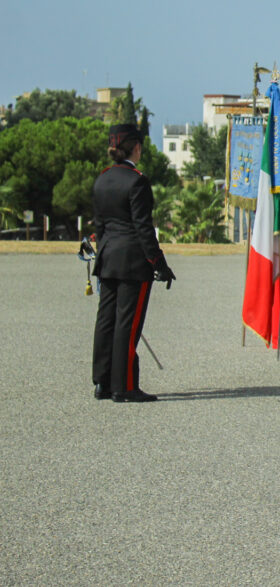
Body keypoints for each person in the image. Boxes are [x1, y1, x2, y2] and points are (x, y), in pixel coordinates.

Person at [91, 122, 175, 403]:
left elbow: (100, 226)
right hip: (132, 260)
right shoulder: (137, 180)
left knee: (106, 321)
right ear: (136, 148)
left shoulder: (102, 179)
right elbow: (143, 228)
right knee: (127, 324)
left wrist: (103, 252)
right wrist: (159, 262)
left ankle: (102, 382)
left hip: (107, 257)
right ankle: (124, 386)